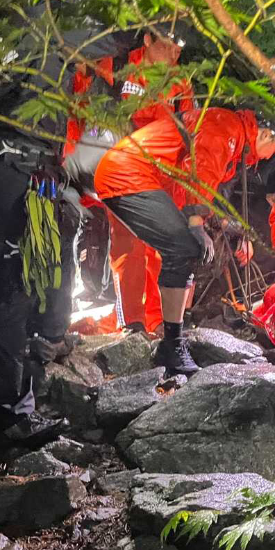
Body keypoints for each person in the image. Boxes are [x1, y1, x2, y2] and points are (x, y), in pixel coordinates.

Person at [0, 0, 128, 451]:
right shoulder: (47, 17)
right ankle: (10, 413)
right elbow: (118, 35)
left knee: (31, 270)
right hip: (14, 163)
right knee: (16, 282)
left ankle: (29, 378)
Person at [93, 107, 275, 374]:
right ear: (265, 135)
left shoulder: (233, 138)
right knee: (179, 246)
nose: (269, 156)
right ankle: (164, 341)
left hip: (149, 180)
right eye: (273, 149)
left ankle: (164, 332)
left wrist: (227, 228)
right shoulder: (226, 126)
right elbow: (199, 170)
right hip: (129, 174)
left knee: (179, 247)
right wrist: (195, 222)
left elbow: (191, 187)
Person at [111, 29, 196, 334]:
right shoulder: (119, 71)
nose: (175, 53)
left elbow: (190, 126)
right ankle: (132, 321)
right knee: (129, 247)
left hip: (165, 177)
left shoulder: (180, 80)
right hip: (126, 171)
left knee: (161, 249)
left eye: (179, 48)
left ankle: (159, 319)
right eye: (168, 46)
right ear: (147, 39)